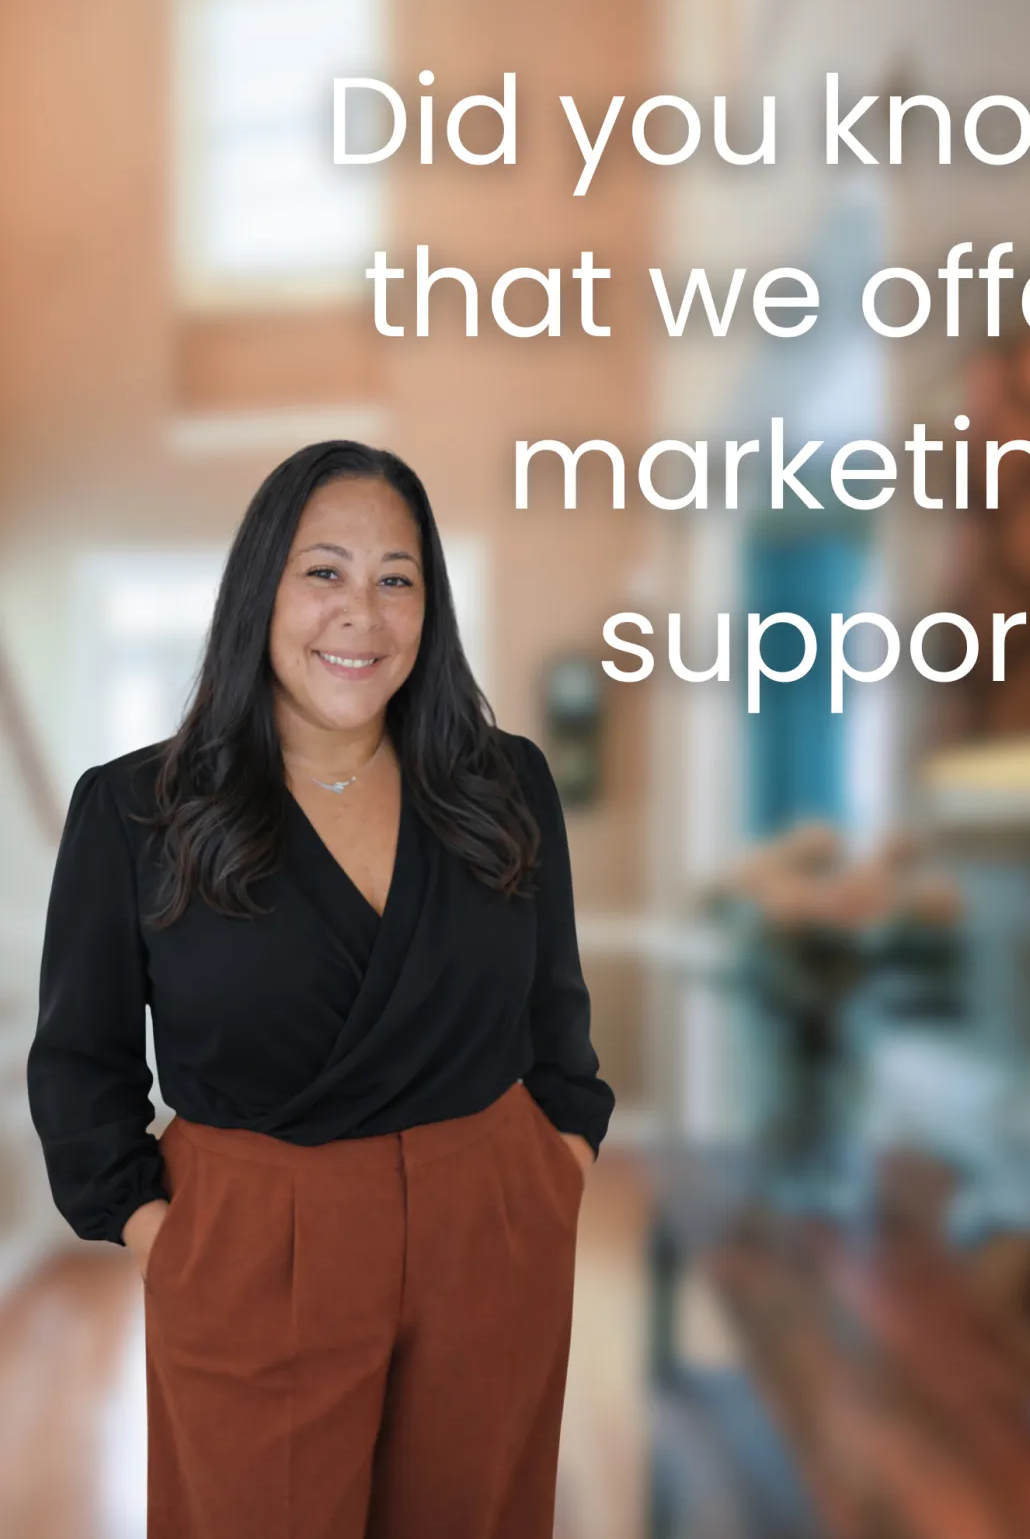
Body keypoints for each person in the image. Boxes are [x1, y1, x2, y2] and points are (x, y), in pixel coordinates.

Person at [26, 439, 616, 1539]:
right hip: (256, 1234)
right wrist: (166, 1232)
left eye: (399, 577)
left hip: (488, 1223)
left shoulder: (507, 783)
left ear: (429, 609)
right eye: (325, 571)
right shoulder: (134, 811)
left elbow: (556, 1022)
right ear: (261, 588)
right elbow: (82, 1065)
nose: (365, 612)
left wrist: (556, 1166)